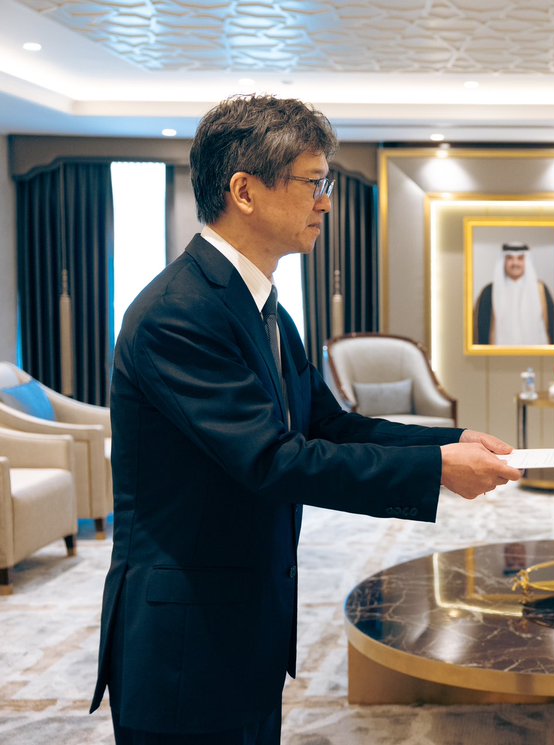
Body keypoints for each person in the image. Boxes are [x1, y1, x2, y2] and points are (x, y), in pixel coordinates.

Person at [89, 94, 521, 744]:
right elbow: (270, 459)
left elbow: (326, 424)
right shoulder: (178, 315)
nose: (326, 200)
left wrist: (449, 440)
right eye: (313, 183)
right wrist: (435, 470)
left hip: (244, 620)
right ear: (245, 191)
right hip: (183, 639)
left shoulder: (264, 307)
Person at [474, 242, 554, 345]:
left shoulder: (541, 290)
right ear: (503, 261)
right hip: (499, 357)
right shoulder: (489, 292)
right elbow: (480, 329)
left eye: (520, 258)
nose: (515, 263)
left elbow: (553, 327)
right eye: (510, 258)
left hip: (537, 356)